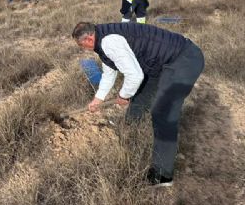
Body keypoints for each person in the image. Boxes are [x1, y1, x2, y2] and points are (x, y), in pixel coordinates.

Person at [72, 21, 204, 187]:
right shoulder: (102, 42)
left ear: (89, 38)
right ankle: (130, 129)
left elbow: (134, 76)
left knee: (163, 114)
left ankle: (162, 175)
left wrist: (123, 96)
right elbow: (109, 72)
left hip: (183, 60)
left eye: (81, 45)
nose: (83, 49)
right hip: (157, 65)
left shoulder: (109, 42)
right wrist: (98, 99)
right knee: (140, 97)